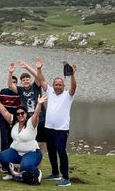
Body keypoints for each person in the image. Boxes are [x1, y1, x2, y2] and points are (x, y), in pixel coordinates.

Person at [38, 59, 77, 187]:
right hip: (49, 128)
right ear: (53, 85)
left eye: (60, 84)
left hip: (61, 129)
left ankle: (66, 178)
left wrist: (72, 75)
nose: (58, 86)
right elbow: (42, 81)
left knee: (61, 151)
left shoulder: (68, 95)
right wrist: (39, 69)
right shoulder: (49, 91)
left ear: (63, 86)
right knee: (51, 151)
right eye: (56, 84)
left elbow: (73, 87)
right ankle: (55, 173)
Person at [0, 94, 46, 185]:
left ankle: (37, 172)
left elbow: (36, 114)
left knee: (25, 167)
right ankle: (11, 173)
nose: (20, 115)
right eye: (18, 114)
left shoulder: (31, 123)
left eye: (22, 113)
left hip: (31, 152)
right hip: (16, 152)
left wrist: (39, 104)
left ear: (26, 114)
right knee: (3, 156)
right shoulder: (14, 122)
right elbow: (4, 111)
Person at [7, 60, 46, 148]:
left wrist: (26, 67)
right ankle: (29, 154)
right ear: (21, 82)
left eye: (27, 79)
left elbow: (38, 76)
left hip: (41, 117)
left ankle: (39, 158)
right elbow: (10, 85)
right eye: (23, 80)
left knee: (41, 141)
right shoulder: (20, 90)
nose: (26, 81)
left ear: (30, 80)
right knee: (30, 139)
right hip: (28, 119)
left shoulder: (36, 86)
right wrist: (10, 72)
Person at [0, 76, 21, 152]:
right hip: (3, 118)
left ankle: (12, 157)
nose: (12, 84)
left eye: (14, 82)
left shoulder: (19, 93)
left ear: (16, 84)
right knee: (4, 139)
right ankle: (3, 158)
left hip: (15, 119)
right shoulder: (3, 91)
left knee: (13, 138)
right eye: (11, 82)